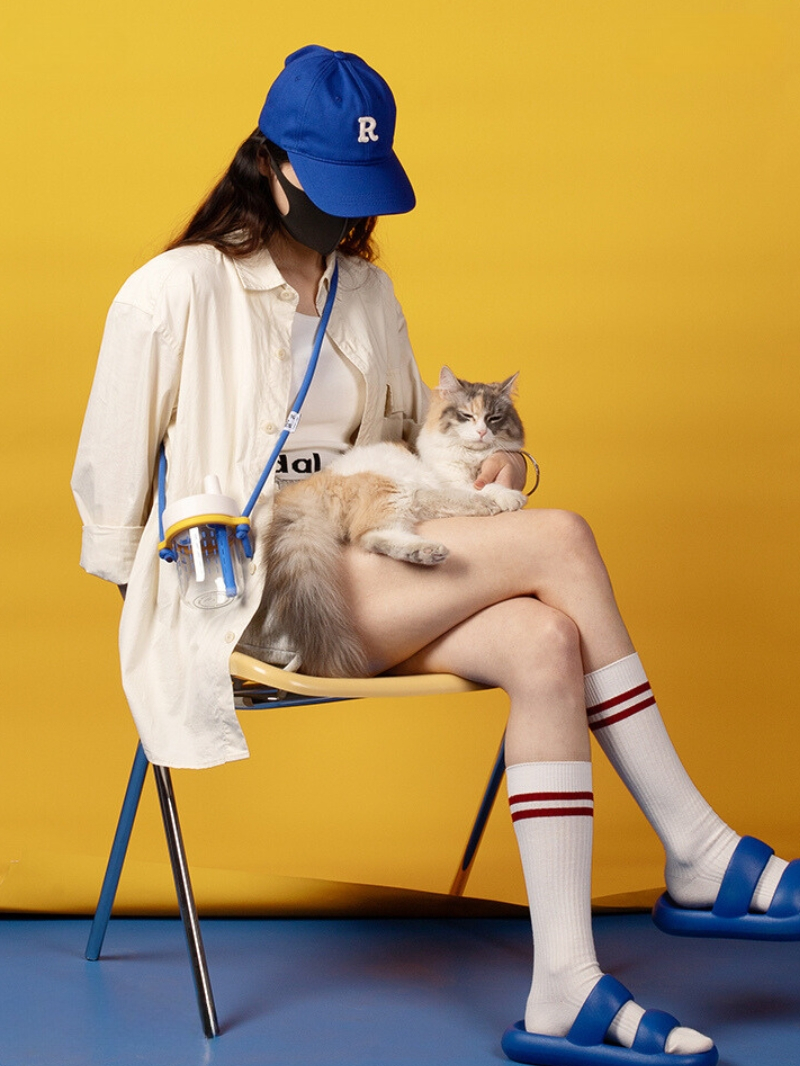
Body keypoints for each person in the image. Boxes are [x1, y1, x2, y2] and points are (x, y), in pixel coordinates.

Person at [72, 45, 798, 1066]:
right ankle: (698, 847)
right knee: (563, 537)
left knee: (544, 639)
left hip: (379, 553)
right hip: (254, 589)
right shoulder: (171, 291)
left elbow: (411, 440)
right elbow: (109, 498)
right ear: (270, 166)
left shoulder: (366, 294)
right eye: (328, 186)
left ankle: (563, 986)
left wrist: (492, 476)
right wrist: (181, 608)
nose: (345, 215)